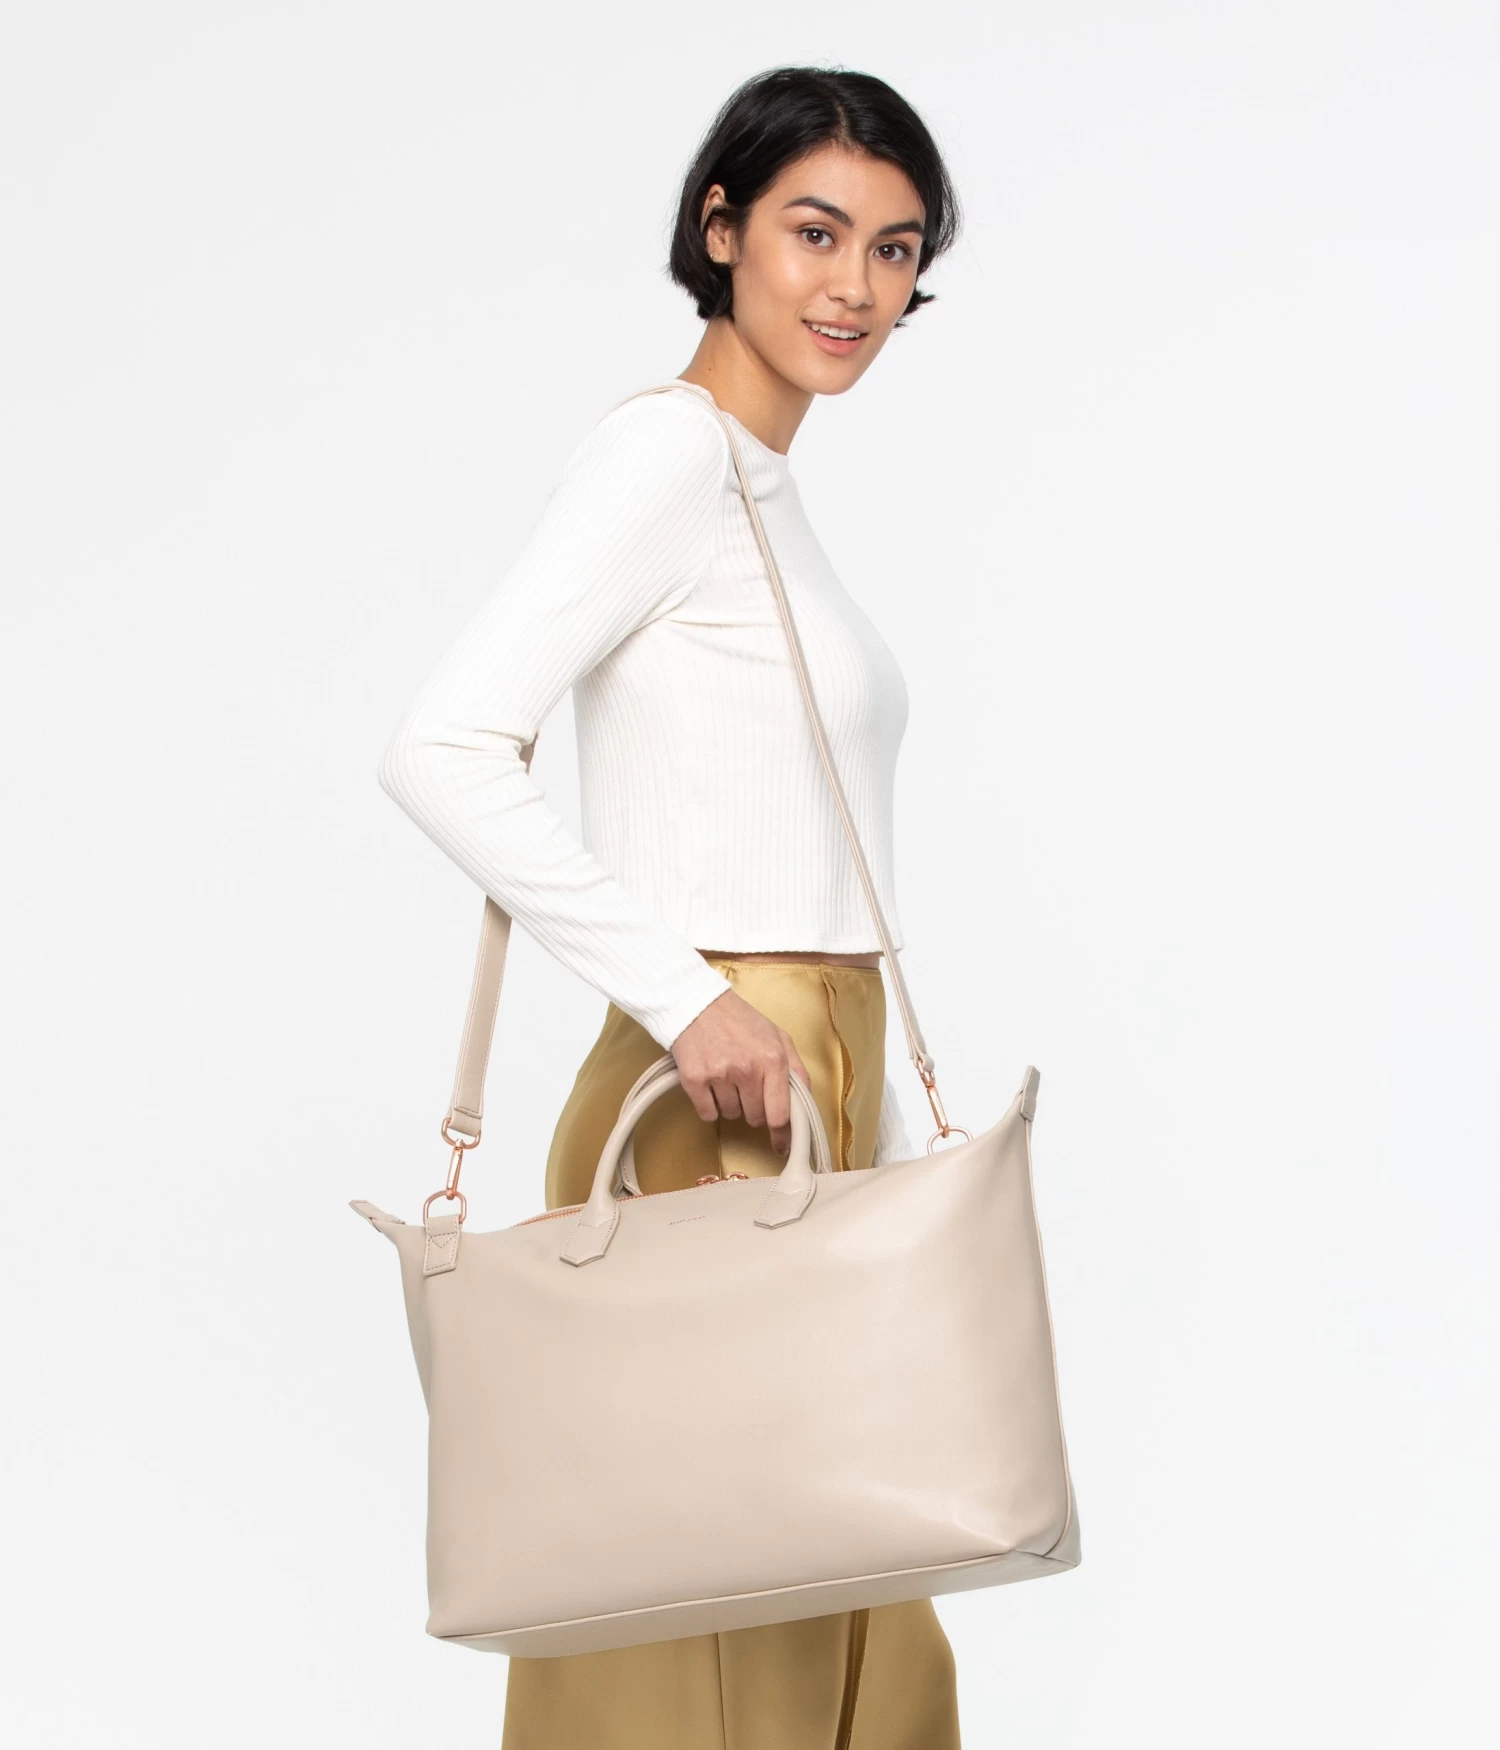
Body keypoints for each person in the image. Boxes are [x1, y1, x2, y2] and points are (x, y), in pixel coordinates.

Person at [377, 63, 964, 1750]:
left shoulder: (764, 491)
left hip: (813, 1072)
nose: (856, 286)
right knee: (726, 1613)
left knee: (851, 1580)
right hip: (718, 1092)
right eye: (814, 232)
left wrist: (865, 1100)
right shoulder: (666, 456)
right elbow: (442, 746)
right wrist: (685, 993)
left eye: (895, 249)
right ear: (720, 229)